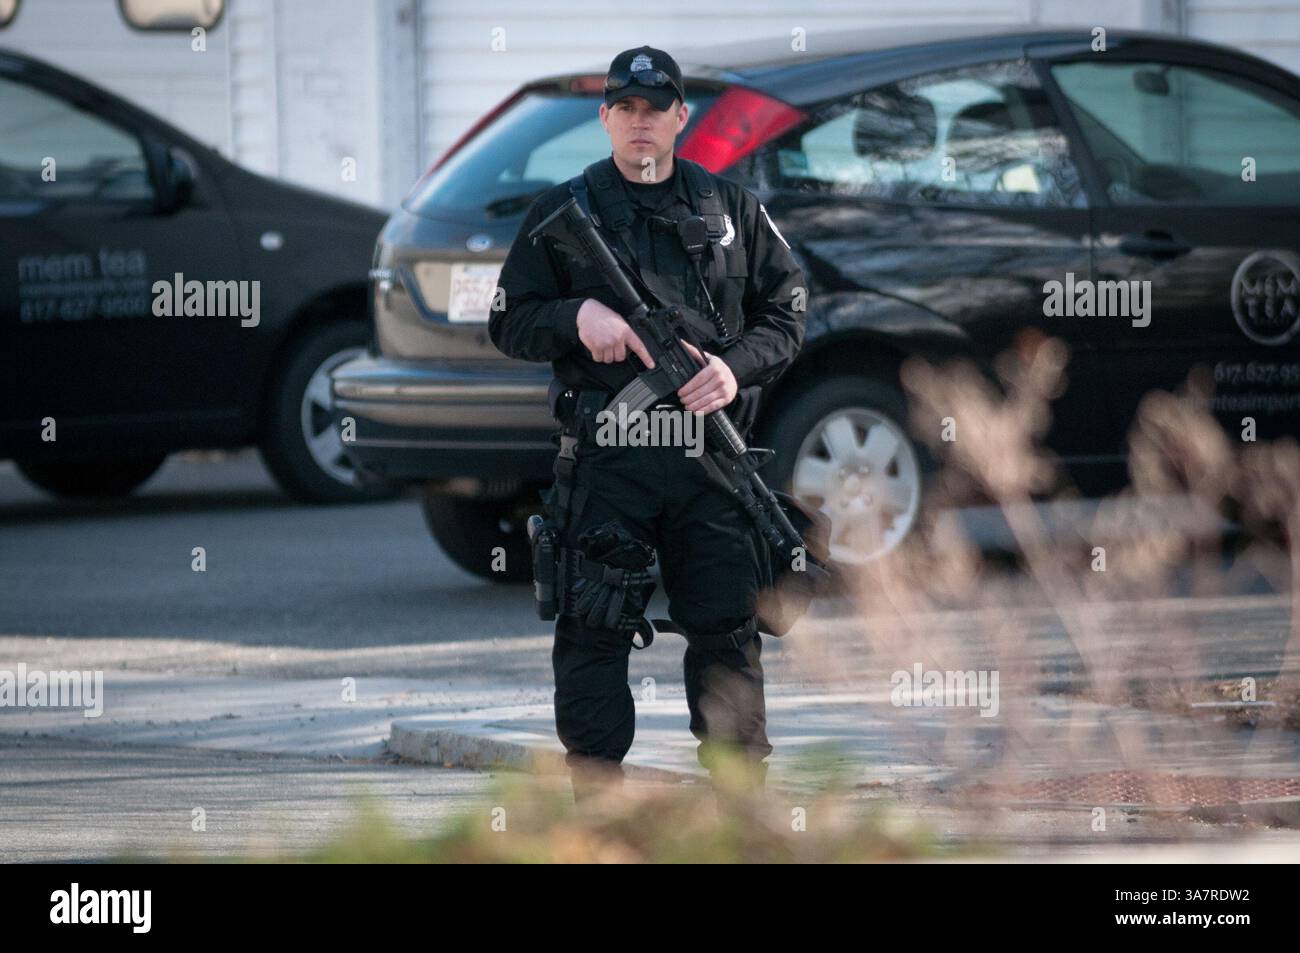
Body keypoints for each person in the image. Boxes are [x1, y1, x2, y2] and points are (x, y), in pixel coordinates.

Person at [489, 45, 807, 802]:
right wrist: (579, 316)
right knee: (594, 631)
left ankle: (739, 815)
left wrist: (736, 368)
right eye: (625, 109)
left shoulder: (731, 210)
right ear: (605, 119)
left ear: (679, 119)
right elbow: (508, 322)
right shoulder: (562, 214)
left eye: (655, 108)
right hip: (610, 460)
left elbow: (787, 313)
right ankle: (594, 816)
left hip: (712, 462)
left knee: (729, 631)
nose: (641, 122)